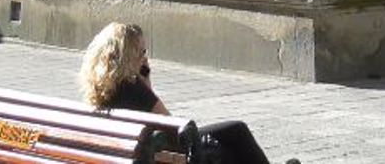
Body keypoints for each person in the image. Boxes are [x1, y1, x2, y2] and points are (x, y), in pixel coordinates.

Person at [78, 22, 296, 164]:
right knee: (236, 131)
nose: (144, 57)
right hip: (162, 152)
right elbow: (173, 127)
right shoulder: (134, 89)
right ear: (128, 54)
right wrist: (146, 85)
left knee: (229, 147)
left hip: (132, 154)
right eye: (141, 51)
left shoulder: (102, 87)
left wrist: (145, 82)